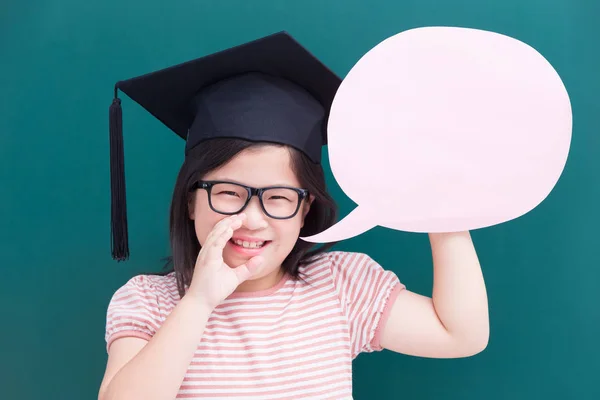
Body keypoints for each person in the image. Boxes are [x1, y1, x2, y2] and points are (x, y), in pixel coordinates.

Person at [98, 32, 489, 400]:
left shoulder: (340, 287)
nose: (252, 219)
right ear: (190, 201)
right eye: (229, 193)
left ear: (306, 210)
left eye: (279, 198)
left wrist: (443, 210)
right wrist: (198, 301)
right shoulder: (149, 301)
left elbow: (459, 334)